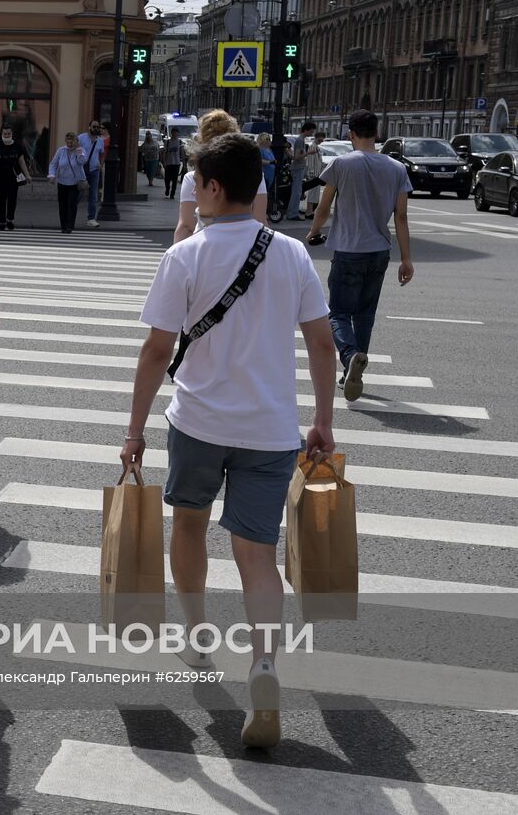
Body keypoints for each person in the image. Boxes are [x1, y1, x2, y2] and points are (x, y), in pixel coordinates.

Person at [121, 133, 337, 749]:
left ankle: (195, 637)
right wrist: (323, 417)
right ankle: (264, 666)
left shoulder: (185, 256)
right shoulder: (292, 253)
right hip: (270, 431)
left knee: (188, 527)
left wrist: (134, 431)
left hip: (197, 424)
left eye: (196, 185)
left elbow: (157, 350)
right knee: (257, 556)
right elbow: (323, 343)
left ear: (213, 188)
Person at [307, 108, 414, 402]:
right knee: (365, 315)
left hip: (348, 250)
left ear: (351, 134)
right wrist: (406, 259)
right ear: (377, 133)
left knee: (338, 313)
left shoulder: (341, 164)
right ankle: (353, 372)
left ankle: (351, 355)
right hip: (379, 251)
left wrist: (313, 231)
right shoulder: (396, 168)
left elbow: (324, 207)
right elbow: (401, 217)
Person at [173, 110, 269, 243]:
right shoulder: (253, 176)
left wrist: (177, 253)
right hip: (245, 246)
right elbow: (260, 219)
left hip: (204, 248)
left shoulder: (194, 178)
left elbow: (186, 225)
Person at [0, 125, 29, 231]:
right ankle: (1, 222)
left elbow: (21, 161)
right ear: (2, 134)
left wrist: (27, 175)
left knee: (12, 200)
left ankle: (10, 219)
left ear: (11, 134)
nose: (6, 135)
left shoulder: (17, 146)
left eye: (8, 134)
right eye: (5, 134)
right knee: (0, 200)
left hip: (13, 179)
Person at [49, 131, 90, 234]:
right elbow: (53, 164)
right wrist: (52, 175)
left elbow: (82, 162)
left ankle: (69, 226)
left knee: (71, 204)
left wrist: (79, 152)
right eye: (68, 142)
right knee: (62, 205)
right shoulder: (61, 151)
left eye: (72, 142)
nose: (70, 145)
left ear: (76, 142)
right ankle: (63, 225)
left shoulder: (81, 150)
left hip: (75, 183)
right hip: (62, 182)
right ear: (66, 142)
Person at [285, 121, 317, 220]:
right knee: (297, 192)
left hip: (298, 167)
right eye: (311, 132)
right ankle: (292, 214)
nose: (311, 134)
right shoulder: (300, 140)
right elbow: (297, 156)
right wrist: (309, 153)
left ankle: (292, 212)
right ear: (306, 130)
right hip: (298, 168)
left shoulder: (300, 140)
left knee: (297, 191)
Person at [80, 121, 107, 226]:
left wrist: (100, 164)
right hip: (82, 170)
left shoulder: (100, 141)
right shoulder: (81, 138)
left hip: (94, 170)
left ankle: (91, 218)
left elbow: (102, 154)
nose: (96, 128)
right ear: (89, 127)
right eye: (94, 126)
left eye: (98, 127)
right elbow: (76, 150)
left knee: (93, 195)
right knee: (78, 192)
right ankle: (70, 213)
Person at [161, 127, 184, 198]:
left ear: (177, 133)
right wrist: (164, 161)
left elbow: (182, 153)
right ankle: (167, 188)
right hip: (168, 163)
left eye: (176, 133)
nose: (175, 134)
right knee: (167, 178)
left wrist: (184, 163)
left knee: (175, 179)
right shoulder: (167, 142)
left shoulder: (180, 142)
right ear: (171, 133)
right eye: (173, 133)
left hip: (176, 163)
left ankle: (172, 193)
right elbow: (164, 152)